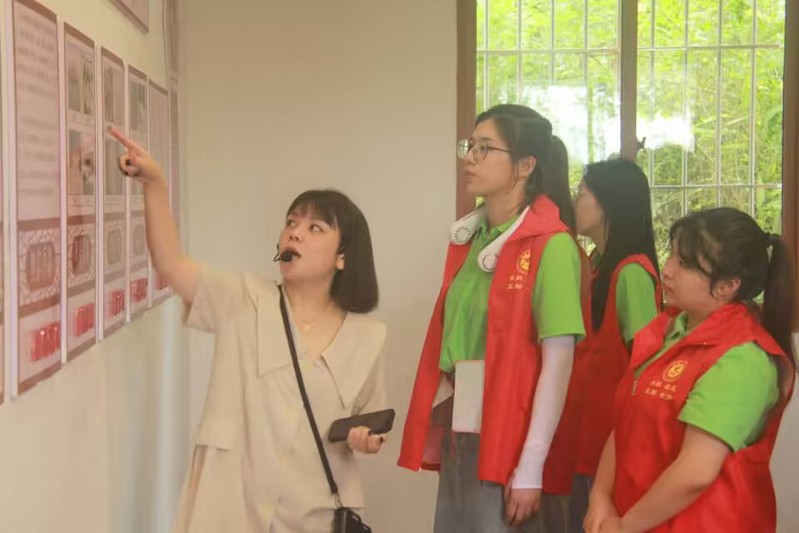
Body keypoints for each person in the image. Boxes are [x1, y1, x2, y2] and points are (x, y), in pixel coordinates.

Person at [110, 128, 389, 533]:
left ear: (342, 257)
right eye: (291, 222)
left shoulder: (368, 337)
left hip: (312, 517)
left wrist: (364, 439)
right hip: (229, 512)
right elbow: (170, 264)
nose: (294, 232)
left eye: (315, 228)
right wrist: (154, 184)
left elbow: (368, 423)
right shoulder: (242, 299)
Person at [398, 104, 588, 532]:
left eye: (485, 148)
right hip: (463, 431)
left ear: (525, 165)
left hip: (512, 437)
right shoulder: (473, 240)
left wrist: (531, 466)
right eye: (470, 146)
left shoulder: (553, 246)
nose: (470, 158)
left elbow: (559, 363)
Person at [585, 207, 796, 533]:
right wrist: (600, 497)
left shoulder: (742, 358)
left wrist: (625, 526)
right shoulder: (666, 331)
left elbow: (696, 472)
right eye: (671, 254)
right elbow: (627, 421)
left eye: (684, 264)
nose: (667, 270)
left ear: (727, 286)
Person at [568, 159, 661, 527]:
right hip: (584, 437)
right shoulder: (596, 265)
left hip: (611, 446)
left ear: (606, 204)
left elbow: (647, 368)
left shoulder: (632, 273)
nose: (575, 203)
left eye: (581, 195)